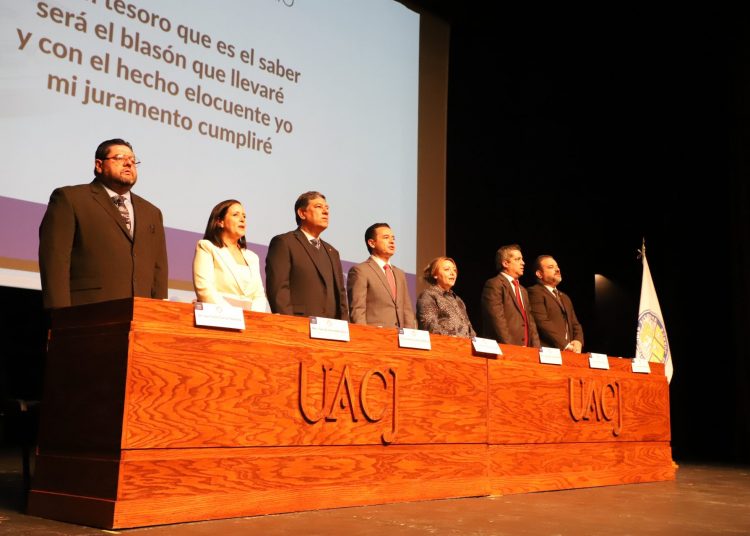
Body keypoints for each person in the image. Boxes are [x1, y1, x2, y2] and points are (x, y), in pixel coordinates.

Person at [38, 138, 168, 309]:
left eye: (132, 160)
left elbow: (159, 270)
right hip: (88, 310)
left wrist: (159, 312)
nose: (128, 163)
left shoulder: (152, 212)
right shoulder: (70, 199)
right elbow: (55, 260)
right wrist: (60, 314)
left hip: (141, 314)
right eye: (120, 158)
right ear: (99, 165)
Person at [265, 191, 348, 320]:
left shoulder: (333, 252)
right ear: (302, 213)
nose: (326, 212)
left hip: (332, 328)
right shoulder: (284, 242)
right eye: (318, 207)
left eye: (327, 208)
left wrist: (345, 327)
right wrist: (289, 324)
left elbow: (341, 297)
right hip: (299, 325)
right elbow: (279, 290)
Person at [193, 199, 267, 312]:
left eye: (244, 216)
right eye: (235, 215)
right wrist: (233, 315)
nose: (242, 219)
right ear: (220, 222)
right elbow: (205, 289)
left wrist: (254, 316)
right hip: (220, 315)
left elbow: (259, 295)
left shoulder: (252, 257)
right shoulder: (207, 247)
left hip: (251, 319)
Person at [347, 223, 416, 328]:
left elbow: (407, 310)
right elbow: (358, 310)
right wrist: (364, 335)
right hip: (375, 335)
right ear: (372, 243)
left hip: (400, 335)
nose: (392, 241)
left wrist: (409, 334)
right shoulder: (360, 271)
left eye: (393, 238)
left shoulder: (400, 274)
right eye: (386, 237)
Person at [481, 244, 540, 347]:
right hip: (505, 349)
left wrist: (537, 349)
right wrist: (511, 348)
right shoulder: (494, 284)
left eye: (522, 259)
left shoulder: (523, 290)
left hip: (527, 351)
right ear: (505, 263)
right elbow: (497, 320)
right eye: (517, 259)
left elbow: (530, 322)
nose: (523, 263)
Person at [527, 255, 584, 352]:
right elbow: (542, 323)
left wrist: (578, 341)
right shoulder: (535, 292)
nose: (557, 270)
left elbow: (575, 324)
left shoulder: (564, 297)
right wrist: (565, 345)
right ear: (539, 274)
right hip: (548, 351)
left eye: (557, 266)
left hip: (570, 351)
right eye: (551, 267)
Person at [416, 256, 475, 337]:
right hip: (443, 343)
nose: (452, 273)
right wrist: (453, 338)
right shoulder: (428, 296)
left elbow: (469, 328)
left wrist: (474, 341)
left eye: (454, 270)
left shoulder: (458, 300)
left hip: (463, 344)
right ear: (435, 274)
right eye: (447, 269)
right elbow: (429, 326)